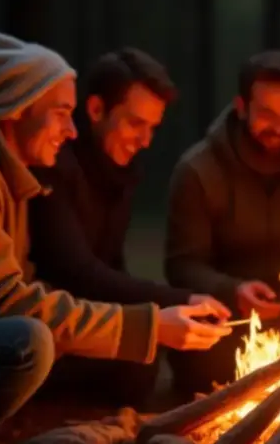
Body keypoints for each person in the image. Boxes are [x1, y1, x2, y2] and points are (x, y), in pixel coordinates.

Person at [0, 29, 230, 430]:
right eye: (62, 112)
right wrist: (147, 325)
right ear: (18, 107)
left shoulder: (3, 170)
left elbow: (26, 284)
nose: (72, 129)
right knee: (28, 342)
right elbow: (5, 303)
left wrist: (132, 332)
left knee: (98, 351)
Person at [29, 48, 230, 405]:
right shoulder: (55, 165)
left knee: (152, 361)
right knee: (138, 361)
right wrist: (176, 301)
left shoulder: (118, 174)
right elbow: (76, 270)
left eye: (153, 127)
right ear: (95, 110)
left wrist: (172, 312)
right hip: (47, 326)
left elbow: (112, 266)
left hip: (92, 320)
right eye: (135, 123)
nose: (146, 140)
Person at [165, 51, 280, 398]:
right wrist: (234, 291)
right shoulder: (199, 171)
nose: (279, 127)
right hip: (227, 321)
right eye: (267, 114)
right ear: (241, 106)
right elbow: (181, 265)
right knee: (206, 368)